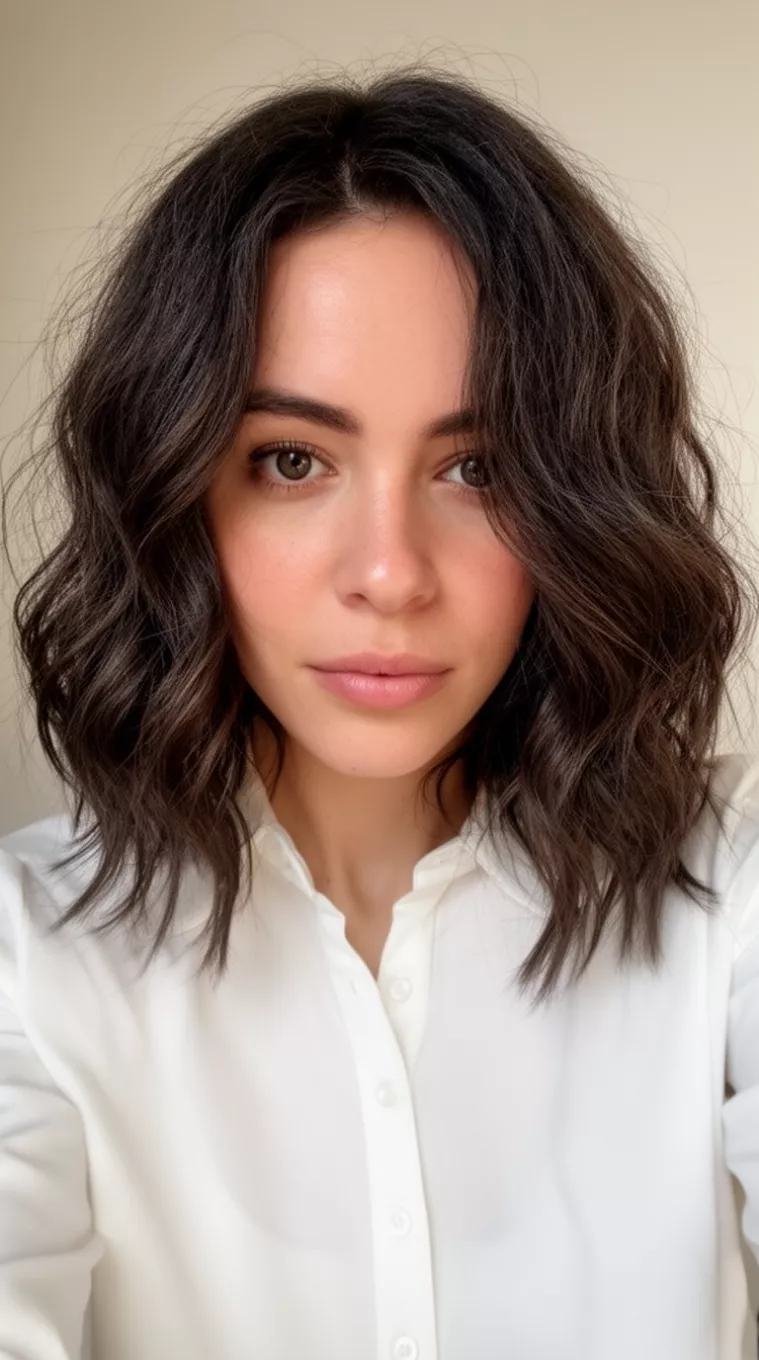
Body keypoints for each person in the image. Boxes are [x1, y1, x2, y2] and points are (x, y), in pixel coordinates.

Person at [1, 62, 758, 1360]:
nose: (391, 573)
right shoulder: (30, 963)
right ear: (176, 489)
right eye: (291, 461)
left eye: (475, 467)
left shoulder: (725, 907)